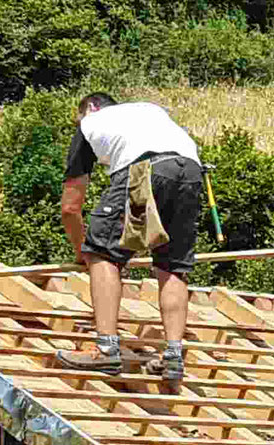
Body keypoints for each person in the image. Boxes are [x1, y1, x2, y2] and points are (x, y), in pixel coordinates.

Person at [55, 93, 205, 387]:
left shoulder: (90, 123)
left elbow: (70, 207)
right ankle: (173, 356)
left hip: (145, 168)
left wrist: (83, 254)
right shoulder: (148, 110)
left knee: (104, 253)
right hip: (190, 171)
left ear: (91, 108)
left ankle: (106, 349)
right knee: (172, 265)